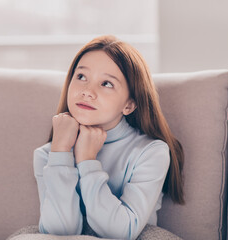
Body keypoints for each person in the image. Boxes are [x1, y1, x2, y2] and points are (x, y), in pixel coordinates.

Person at [33, 35, 184, 240]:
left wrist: (87, 161)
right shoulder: (48, 155)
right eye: (81, 77)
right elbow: (61, 232)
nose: (87, 91)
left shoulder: (151, 151)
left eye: (106, 83)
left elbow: (121, 232)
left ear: (129, 105)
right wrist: (60, 152)